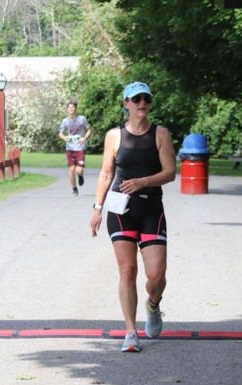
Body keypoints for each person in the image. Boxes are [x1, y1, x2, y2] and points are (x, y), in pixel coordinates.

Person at [90, 82, 176, 353]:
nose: (142, 102)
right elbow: (106, 174)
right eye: (136, 98)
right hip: (120, 209)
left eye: (146, 98)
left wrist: (143, 182)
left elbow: (171, 172)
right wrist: (97, 208)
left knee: (156, 275)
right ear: (125, 103)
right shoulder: (113, 136)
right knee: (128, 271)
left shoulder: (160, 134)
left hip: (151, 210)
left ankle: (153, 305)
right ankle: (131, 331)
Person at [59, 102, 92, 196]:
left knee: (79, 170)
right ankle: (74, 189)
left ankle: (80, 176)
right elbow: (60, 133)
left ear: (76, 109)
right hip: (70, 147)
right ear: (67, 109)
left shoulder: (82, 119)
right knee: (72, 170)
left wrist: (85, 138)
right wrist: (64, 137)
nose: (71, 109)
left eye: (73, 107)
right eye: (69, 107)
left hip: (80, 147)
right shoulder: (65, 121)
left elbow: (89, 129)